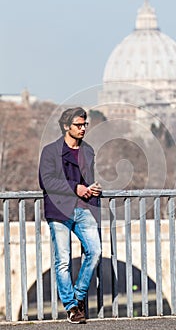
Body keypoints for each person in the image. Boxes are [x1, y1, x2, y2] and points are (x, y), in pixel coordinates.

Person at [39, 107, 102, 324]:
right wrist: (77, 188)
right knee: (63, 261)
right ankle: (72, 307)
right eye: (78, 125)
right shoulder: (50, 151)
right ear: (67, 126)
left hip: (83, 208)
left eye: (85, 124)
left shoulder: (89, 151)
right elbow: (46, 181)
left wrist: (92, 189)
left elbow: (87, 180)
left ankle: (78, 296)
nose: (83, 128)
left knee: (94, 251)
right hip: (59, 210)